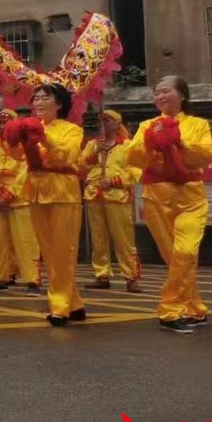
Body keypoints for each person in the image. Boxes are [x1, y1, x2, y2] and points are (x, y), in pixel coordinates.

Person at [126, 76, 212, 334]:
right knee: (176, 258)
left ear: (182, 95)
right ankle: (194, 308)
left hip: (191, 198)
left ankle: (169, 310)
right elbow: (132, 156)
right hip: (156, 198)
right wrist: (150, 142)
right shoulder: (147, 125)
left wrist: (180, 143)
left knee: (185, 253)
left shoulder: (198, 124)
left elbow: (208, 154)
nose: (160, 97)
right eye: (156, 93)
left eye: (165, 91)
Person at [11, 84, 87, 327]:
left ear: (59, 104)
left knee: (64, 251)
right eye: (36, 98)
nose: (39, 102)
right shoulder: (32, 126)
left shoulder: (72, 130)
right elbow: (18, 158)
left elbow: (66, 156)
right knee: (50, 252)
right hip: (36, 192)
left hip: (62, 192)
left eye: (45, 98)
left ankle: (59, 306)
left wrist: (43, 137)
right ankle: (74, 303)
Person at [0, 108, 41, 296]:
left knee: (25, 240)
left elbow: (26, 172)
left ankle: (32, 280)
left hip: (19, 196)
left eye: (6, 123)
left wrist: (9, 195)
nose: (1, 126)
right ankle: (0, 277)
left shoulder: (24, 145)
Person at [82, 110, 142, 293]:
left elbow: (135, 171)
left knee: (124, 238)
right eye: (102, 120)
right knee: (98, 238)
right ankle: (102, 275)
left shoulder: (127, 145)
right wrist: (95, 153)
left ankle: (131, 277)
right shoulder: (93, 144)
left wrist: (114, 181)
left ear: (117, 124)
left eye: (108, 120)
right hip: (94, 195)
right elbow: (81, 165)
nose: (104, 123)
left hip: (117, 197)